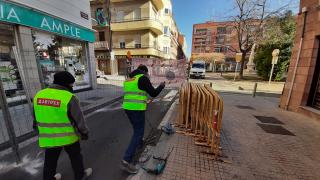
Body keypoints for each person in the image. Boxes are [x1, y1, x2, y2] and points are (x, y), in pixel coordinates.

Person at [33, 71, 92, 180]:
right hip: (69, 137)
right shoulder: (69, 97)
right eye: (71, 84)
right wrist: (84, 133)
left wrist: (38, 131)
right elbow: (78, 119)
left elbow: (35, 118)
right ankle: (80, 176)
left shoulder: (39, 95)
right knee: (75, 157)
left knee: (50, 161)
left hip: (48, 138)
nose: (72, 86)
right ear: (65, 84)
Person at [121, 65, 165, 174]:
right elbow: (153, 93)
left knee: (136, 129)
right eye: (147, 73)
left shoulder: (128, 80)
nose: (147, 75)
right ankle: (126, 161)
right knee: (138, 132)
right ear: (144, 72)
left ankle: (140, 144)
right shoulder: (143, 78)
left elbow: (133, 94)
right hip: (136, 110)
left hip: (127, 109)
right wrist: (161, 86)